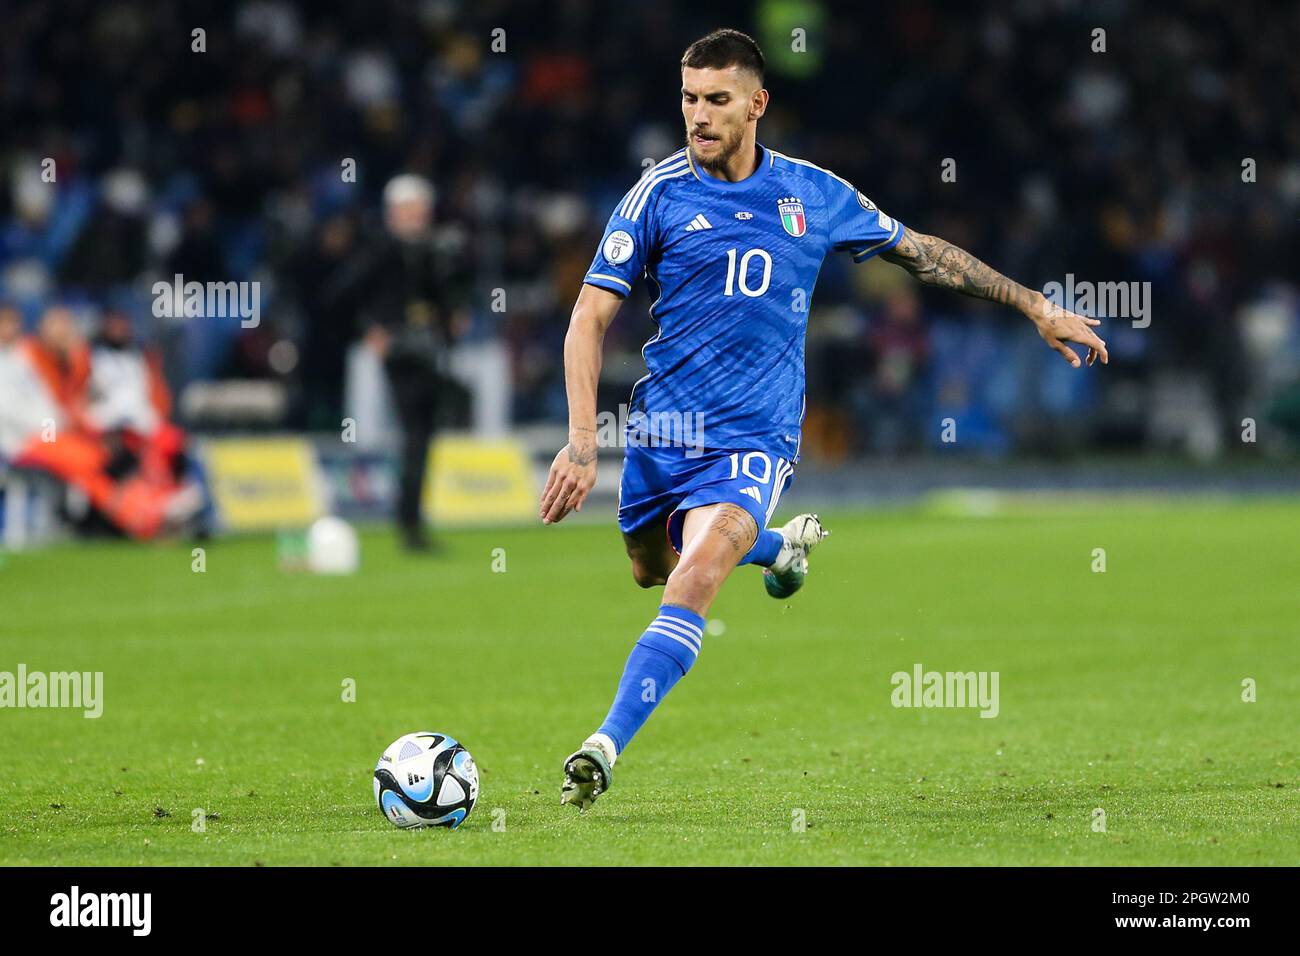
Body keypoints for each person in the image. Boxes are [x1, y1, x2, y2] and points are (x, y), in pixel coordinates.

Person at [539, 29, 1108, 810]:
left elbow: (924, 253)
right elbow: (586, 319)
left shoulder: (814, 195)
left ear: (756, 104)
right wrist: (581, 442)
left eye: (716, 101)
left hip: (755, 437)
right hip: (664, 433)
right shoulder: (656, 195)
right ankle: (779, 552)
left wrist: (1036, 305)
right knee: (651, 568)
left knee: (698, 574)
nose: (698, 117)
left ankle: (603, 745)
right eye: (688, 99)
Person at [347, 174, 471, 551]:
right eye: (411, 210)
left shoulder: (431, 250)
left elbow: (446, 295)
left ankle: (411, 519)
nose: (418, 217)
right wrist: (372, 330)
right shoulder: (379, 251)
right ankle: (409, 522)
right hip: (401, 353)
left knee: (422, 436)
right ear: (394, 212)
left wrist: (452, 317)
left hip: (429, 351)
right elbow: (346, 293)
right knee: (415, 436)